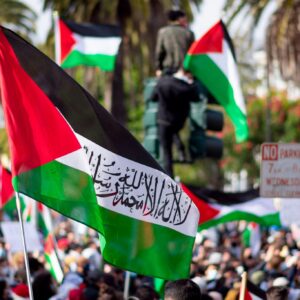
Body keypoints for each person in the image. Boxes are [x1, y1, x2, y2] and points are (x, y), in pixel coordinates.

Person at [151, 68, 199, 177]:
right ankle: (180, 149)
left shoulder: (161, 83)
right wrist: (193, 83)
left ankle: (169, 179)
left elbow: (153, 98)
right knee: (173, 133)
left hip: (163, 121)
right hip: (177, 122)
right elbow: (195, 96)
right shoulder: (183, 86)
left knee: (167, 153)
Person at [155, 9, 195, 76]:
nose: (186, 21)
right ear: (179, 19)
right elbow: (193, 54)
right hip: (185, 72)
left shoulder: (162, 32)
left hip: (168, 71)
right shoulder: (189, 33)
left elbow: (159, 52)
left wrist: (158, 69)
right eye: (185, 19)